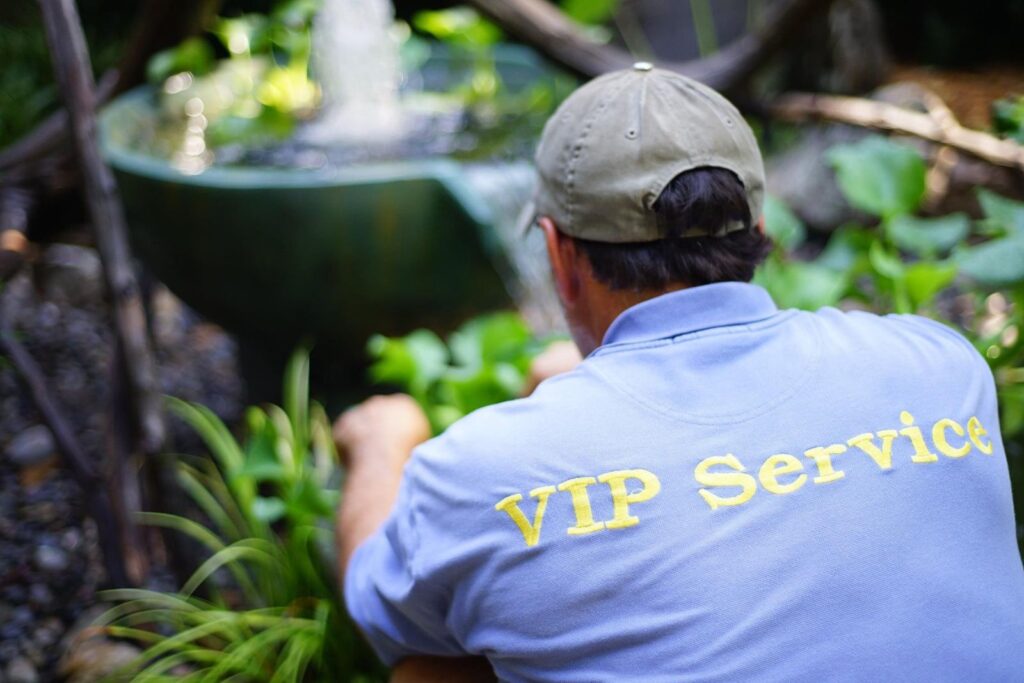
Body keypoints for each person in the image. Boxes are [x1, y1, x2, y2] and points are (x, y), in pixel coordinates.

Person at [334, 64, 1024, 682]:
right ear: (759, 223)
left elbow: (378, 604)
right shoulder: (938, 364)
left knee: (431, 664)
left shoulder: (479, 468)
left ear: (558, 253)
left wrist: (384, 443)